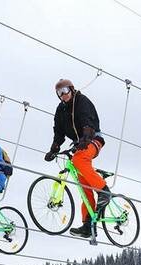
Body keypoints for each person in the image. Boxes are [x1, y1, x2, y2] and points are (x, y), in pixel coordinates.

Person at [44, 78, 112, 238]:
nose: (63, 95)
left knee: (79, 160)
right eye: (59, 93)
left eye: (65, 91)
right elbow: (58, 132)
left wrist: (86, 137)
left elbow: (89, 121)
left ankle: (104, 191)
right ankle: (88, 225)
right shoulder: (60, 110)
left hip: (93, 139)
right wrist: (54, 148)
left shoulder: (82, 101)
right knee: (83, 184)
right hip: (78, 144)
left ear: (72, 89)